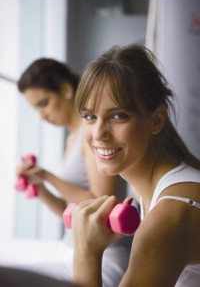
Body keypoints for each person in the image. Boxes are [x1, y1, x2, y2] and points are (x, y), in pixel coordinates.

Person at [70, 44, 200, 287]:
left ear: (157, 120)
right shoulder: (168, 190)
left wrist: (85, 253)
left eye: (118, 116)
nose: (99, 134)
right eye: (90, 116)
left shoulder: (166, 219)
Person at [0, 58, 132, 287]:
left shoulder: (90, 135)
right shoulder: (72, 137)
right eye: (35, 108)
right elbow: (68, 211)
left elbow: (102, 202)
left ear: (65, 90)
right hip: (72, 251)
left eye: (43, 103)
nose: (41, 115)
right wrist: (41, 188)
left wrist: (47, 176)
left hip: (102, 260)